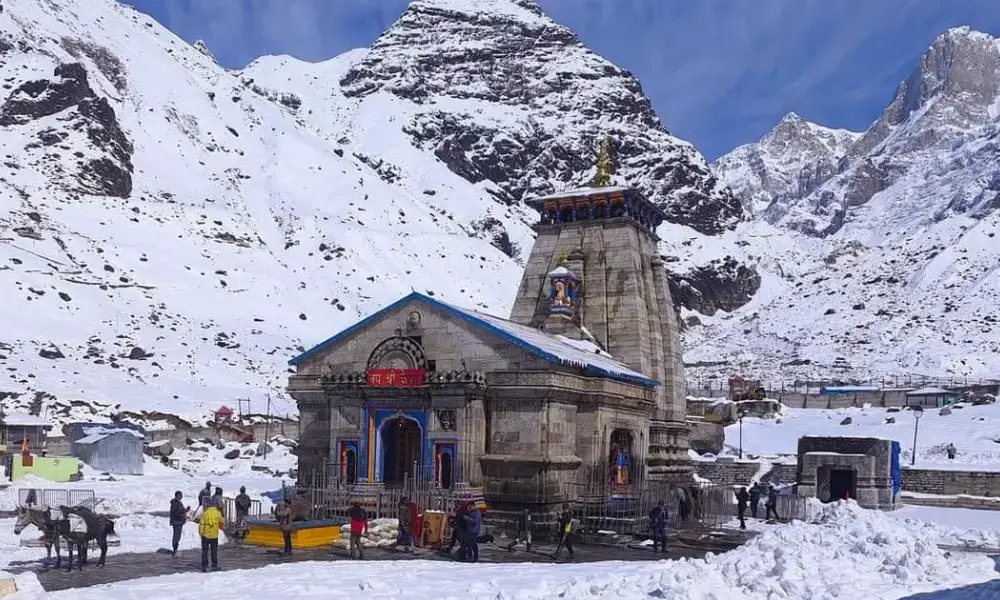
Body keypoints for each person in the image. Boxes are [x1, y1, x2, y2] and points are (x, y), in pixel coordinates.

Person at [198, 498, 223, 572]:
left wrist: (201, 533)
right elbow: (222, 521)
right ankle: (214, 565)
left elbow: (201, 524)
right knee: (214, 551)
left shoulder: (204, 513)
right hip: (214, 535)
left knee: (204, 551)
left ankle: (204, 565)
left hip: (205, 535)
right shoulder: (217, 513)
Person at [169, 491, 190, 557]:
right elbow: (177, 512)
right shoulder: (176, 502)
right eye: (181, 495)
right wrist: (185, 511)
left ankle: (175, 549)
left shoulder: (177, 502)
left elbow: (179, 511)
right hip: (177, 522)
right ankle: (175, 549)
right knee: (176, 536)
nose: (182, 496)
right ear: (178, 495)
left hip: (178, 522)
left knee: (177, 535)